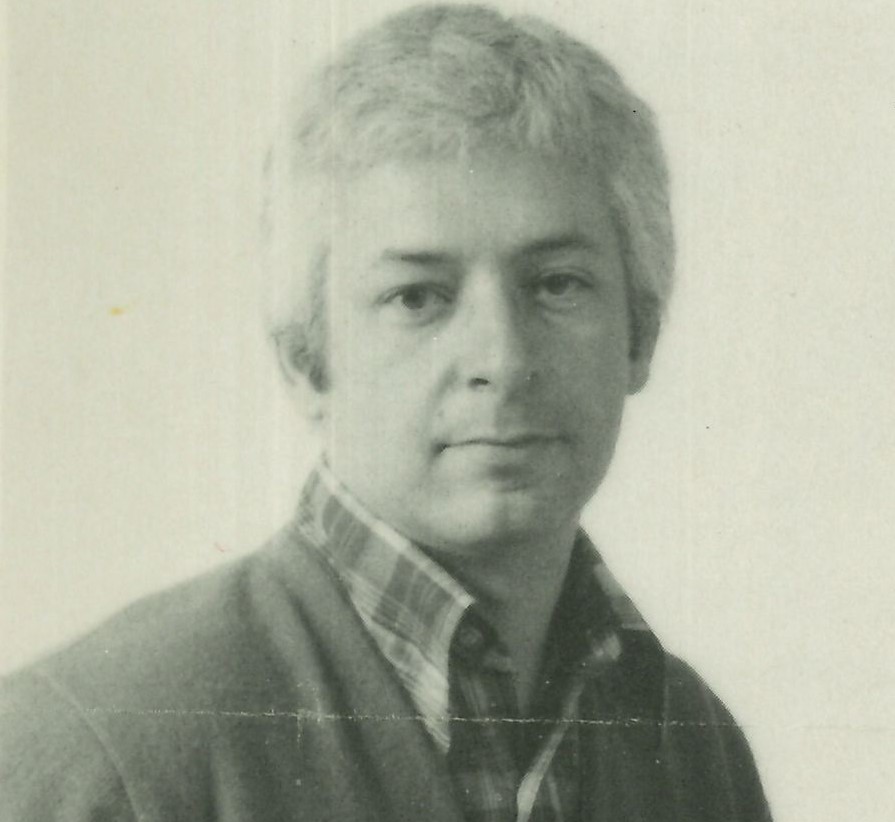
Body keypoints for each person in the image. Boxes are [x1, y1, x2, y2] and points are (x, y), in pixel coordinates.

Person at [0, 4, 772, 821]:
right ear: (306, 359)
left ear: (639, 332)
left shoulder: (692, 746)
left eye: (556, 284)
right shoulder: (95, 758)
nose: (502, 359)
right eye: (416, 297)